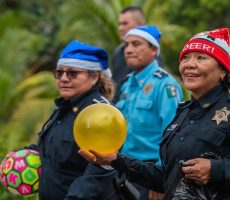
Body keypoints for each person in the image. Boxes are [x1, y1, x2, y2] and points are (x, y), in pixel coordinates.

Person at [79, 27, 230, 200]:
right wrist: (115, 160)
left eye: (201, 58)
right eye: (186, 58)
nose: (189, 64)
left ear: (223, 71)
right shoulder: (183, 113)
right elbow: (167, 178)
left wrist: (216, 169)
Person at [1, 40, 119, 200]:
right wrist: (18, 154)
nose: (63, 78)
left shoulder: (101, 114)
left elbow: (100, 171)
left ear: (94, 77)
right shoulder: (64, 107)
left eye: (72, 73)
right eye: (59, 72)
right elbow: (53, 150)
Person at [112, 25, 183, 199]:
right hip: (125, 170)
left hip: (150, 174)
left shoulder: (165, 85)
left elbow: (173, 136)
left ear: (154, 50)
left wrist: (160, 179)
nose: (128, 50)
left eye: (136, 44)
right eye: (126, 45)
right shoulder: (127, 83)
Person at [111, 6, 145, 89]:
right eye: (119, 24)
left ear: (140, 25)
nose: (120, 28)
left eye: (125, 23)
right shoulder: (118, 52)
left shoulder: (150, 54)